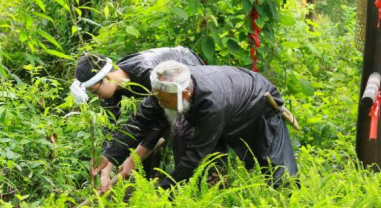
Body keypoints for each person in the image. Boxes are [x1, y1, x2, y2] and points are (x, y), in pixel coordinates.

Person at [93, 61, 298, 189]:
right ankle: (213, 193)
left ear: (184, 94)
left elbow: (195, 155)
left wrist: (164, 188)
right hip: (229, 104)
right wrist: (109, 156)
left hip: (258, 104)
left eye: (164, 101)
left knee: (279, 173)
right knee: (188, 141)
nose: (159, 104)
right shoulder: (164, 89)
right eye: (157, 99)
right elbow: (139, 122)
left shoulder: (211, 105)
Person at [70, 47, 204, 191]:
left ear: (107, 78)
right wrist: (106, 167)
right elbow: (111, 127)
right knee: (142, 140)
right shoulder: (114, 83)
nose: (97, 97)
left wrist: (134, 158)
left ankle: (190, 188)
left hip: (190, 79)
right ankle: (146, 187)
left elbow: (159, 119)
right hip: (165, 102)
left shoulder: (149, 74)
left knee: (181, 133)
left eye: (95, 91)